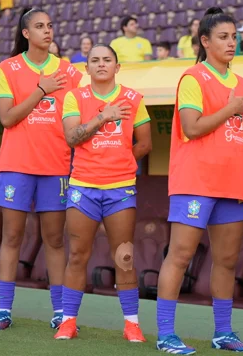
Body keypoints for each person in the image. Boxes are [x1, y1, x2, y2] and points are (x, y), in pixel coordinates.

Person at [155, 7, 243, 354]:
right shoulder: (193, 78)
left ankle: (223, 333)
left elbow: (242, 137)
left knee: (227, 261)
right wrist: (229, 109)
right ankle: (166, 333)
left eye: (234, 37)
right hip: (195, 182)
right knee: (180, 256)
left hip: (232, 184)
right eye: (224, 37)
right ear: (205, 41)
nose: (231, 43)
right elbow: (191, 127)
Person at [0, 8, 83, 331]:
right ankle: (3, 310)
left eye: (50, 25)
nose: (47, 30)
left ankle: (60, 312)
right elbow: (8, 118)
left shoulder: (69, 71)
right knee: (12, 237)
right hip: (16, 166)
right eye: (39, 26)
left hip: (55, 167)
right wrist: (41, 89)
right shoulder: (9, 68)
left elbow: (84, 108)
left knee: (54, 240)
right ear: (26, 33)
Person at [54, 44, 152, 342]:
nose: (100, 64)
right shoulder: (75, 97)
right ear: (86, 68)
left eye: (106, 60)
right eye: (94, 60)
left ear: (117, 67)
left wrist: (119, 162)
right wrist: (103, 117)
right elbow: (72, 137)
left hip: (120, 188)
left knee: (124, 256)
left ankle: (132, 324)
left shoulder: (134, 98)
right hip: (83, 187)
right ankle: (68, 321)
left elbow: (145, 144)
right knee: (77, 256)